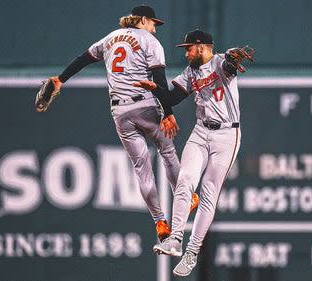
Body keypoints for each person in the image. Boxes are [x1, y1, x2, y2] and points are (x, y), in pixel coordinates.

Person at [45, 5, 199, 242]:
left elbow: (82, 60)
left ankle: (159, 221)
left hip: (120, 111)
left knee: (141, 167)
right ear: (144, 20)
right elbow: (158, 80)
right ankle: (185, 197)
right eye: (153, 24)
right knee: (167, 152)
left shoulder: (110, 38)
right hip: (146, 105)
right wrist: (167, 112)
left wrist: (61, 79)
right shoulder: (149, 41)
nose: (154, 29)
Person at [136, 29, 247, 277]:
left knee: (208, 192)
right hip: (200, 132)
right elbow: (173, 97)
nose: (186, 53)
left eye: (188, 48)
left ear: (201, 47)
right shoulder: (191, 73)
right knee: (185, 180)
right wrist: (154, 88)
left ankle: (192, 253)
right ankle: (175, 239)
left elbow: (229, 66)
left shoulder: (219, 62)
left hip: (227, 135)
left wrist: (232, 60)